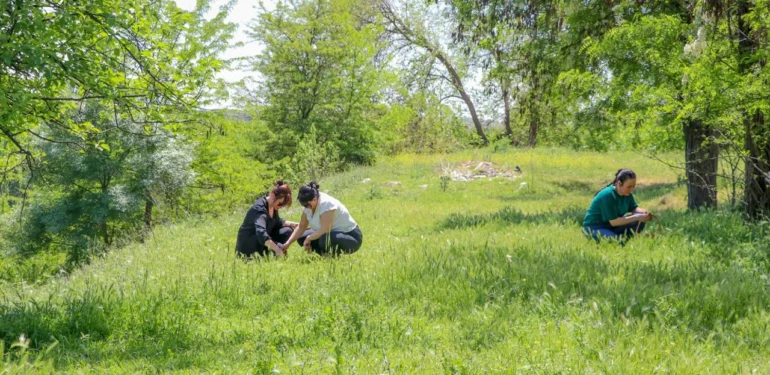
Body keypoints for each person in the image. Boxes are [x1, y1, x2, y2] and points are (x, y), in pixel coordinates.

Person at [280, 181, 363, 256]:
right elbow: (301, 226)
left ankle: (333, 257)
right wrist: (288, 243)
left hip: (351, 237)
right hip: (331, 234)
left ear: (315, 199)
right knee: (302, 237)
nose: (306, 207)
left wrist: (309, 238)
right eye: (303, 205)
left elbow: (325, 229)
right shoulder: (309, 205)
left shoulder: (326, 204)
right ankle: (323, 255)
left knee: (325, 238)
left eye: (307, 205)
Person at [583, 169, 653, 243]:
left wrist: (643, 212)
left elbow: (633, 208)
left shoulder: (627, 194)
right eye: (629, 187)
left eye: (633, 186)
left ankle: (626, 239)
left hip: (612, 226)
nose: (631, 189)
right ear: (619, 183)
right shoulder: (607, 195)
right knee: (617, 242)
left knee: (640, 219)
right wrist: (636, 216)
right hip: (595, 228)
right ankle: (616, 239)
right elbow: (614, 222)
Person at [235, 179, 298, 258]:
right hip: (250, 247)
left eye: (283, 205)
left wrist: (293, 224)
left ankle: (273, 252)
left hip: (261, 242)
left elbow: (276, 221)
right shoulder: (260, 211)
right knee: (279, 250)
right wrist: (277, 249)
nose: (280, 207)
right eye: (279, 203)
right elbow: (261, 233)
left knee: (287, 230)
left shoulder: (272, 205)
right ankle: (269, 254)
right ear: (272, 195)